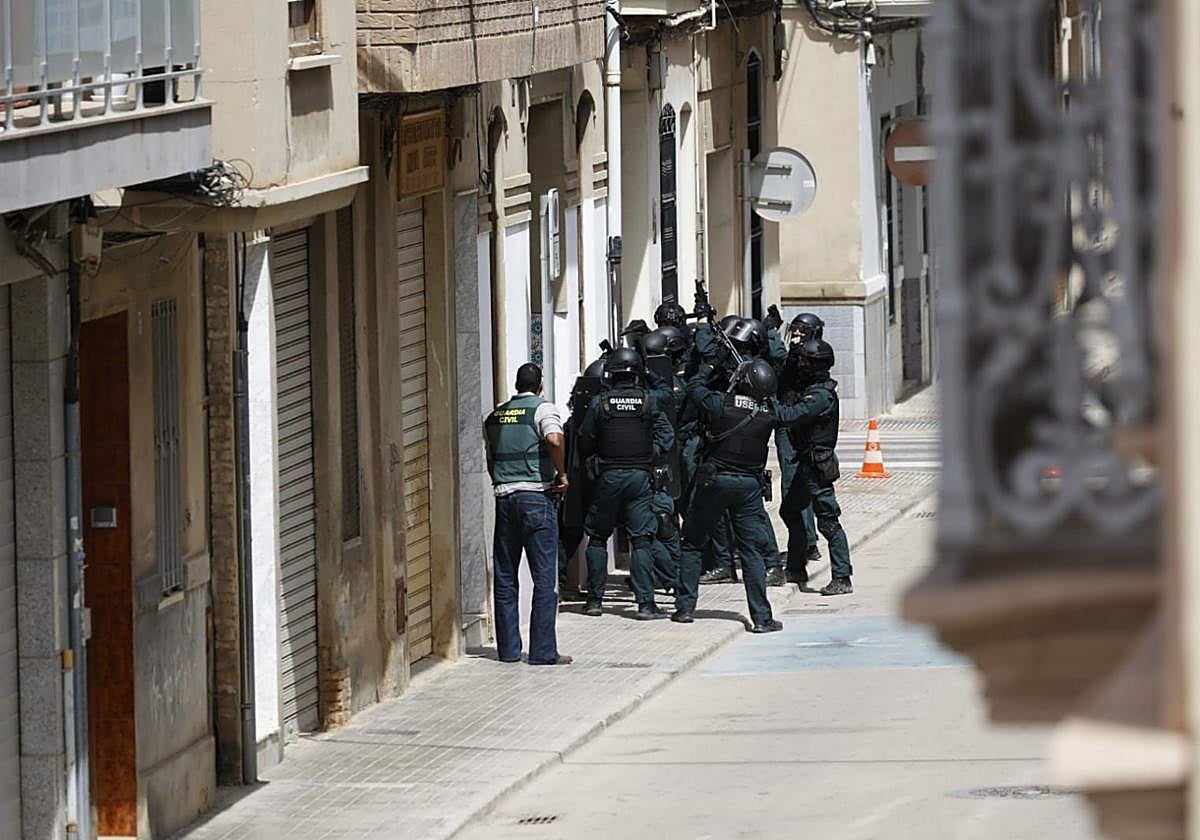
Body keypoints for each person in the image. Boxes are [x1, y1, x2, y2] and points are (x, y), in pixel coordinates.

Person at [673, 358, 826, 631]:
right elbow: (796, 412)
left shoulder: (720, 403)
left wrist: (708, 367)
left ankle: (685, 608)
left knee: (692, 543)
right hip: (748, 488)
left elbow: (693, 388)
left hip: (714, 482)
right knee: (751, 552)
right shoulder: (768, 413)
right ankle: (762, 619)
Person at [483, 363, 573, 665]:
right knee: (545, 579)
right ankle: (543, 651)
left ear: (516, 383)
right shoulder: (544, 410)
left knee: (505, 576)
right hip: (536, 497)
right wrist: (561, 474)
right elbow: (554, 440)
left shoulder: (495, 414)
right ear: (540, 385)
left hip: (504, 498)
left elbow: (490, 456)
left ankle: (508, 652)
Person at [578, 348, 675, 619]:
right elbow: (667, 437)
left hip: (608, 476)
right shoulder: (649, 400)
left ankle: (595, 602)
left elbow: (585, 437)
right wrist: (647, 454)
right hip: (640, 476)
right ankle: (645, 605)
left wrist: (598, 457)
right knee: (641, 540)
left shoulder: (601, 403)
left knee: (597, 538)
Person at [780, 339, 854, 595]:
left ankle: (842, 577)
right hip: (805, 463)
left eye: (807, 361)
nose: (803, 365)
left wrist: (769, 408)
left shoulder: (821, 396)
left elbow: (791, 415)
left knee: (828, 522)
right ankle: (796, 566)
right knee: (790, 510)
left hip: (817, 464)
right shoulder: (811, 388)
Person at [776, 312, 827, 573]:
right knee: (795, 487)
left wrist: (772, 340)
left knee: (794, 487)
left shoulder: (809, 360)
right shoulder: (797, 357)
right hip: (790, 423)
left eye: (800, 333)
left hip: (796, 425)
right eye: (792, 333)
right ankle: (806, 541)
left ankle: (806, 543)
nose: (794, 338)